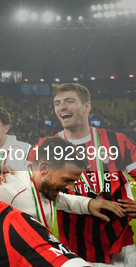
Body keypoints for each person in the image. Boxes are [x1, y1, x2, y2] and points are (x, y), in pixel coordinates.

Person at [29, 83, 136, 265]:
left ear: (87, 106)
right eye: (57, 103)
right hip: (74, 248)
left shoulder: (118, 141)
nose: (62, 107)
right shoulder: (43, 147)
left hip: (121, 243)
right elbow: (29, 188)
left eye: (69, 101)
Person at [0, 136, 125, 231]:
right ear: (44, 169)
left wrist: (89, 204)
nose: (71, 188)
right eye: (67, 180)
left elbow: (62, 200)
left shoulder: (41, 186)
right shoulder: (5, 187)